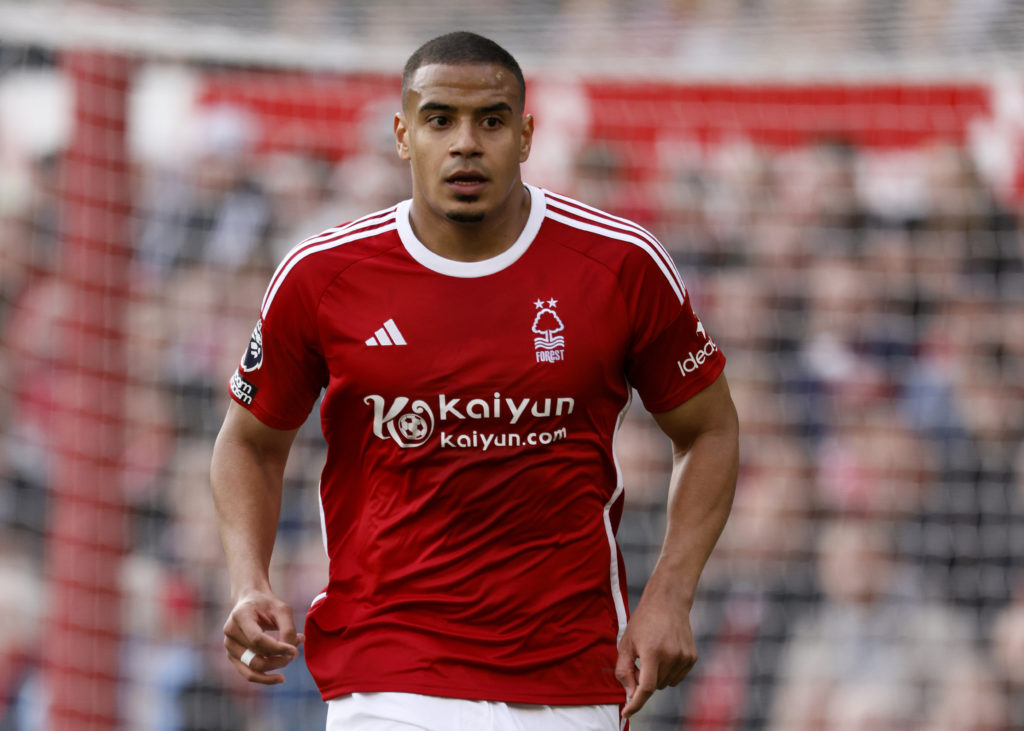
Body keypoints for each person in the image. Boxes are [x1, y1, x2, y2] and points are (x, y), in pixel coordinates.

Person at [209, 30, 738, 730]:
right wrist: (249, 581)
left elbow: (709, 428)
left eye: (490, 120)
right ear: (403, 134)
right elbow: (249, 442)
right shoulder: (321, 275)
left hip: (571, 678)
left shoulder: (620, 264)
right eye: (439, 120)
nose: (465, 142)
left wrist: (671, 593)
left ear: (525, 136)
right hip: (387, 678)